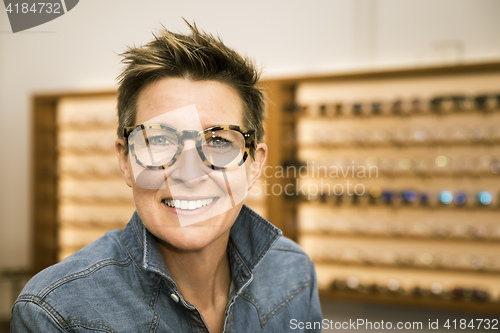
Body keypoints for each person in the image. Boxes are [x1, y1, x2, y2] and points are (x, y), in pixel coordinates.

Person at [11, 22, 322, 332]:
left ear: (254, 165)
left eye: (218, 142)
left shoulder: (294, 272)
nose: (188, 174)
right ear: (125, 160)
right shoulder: (55, 312)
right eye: (159, 140)